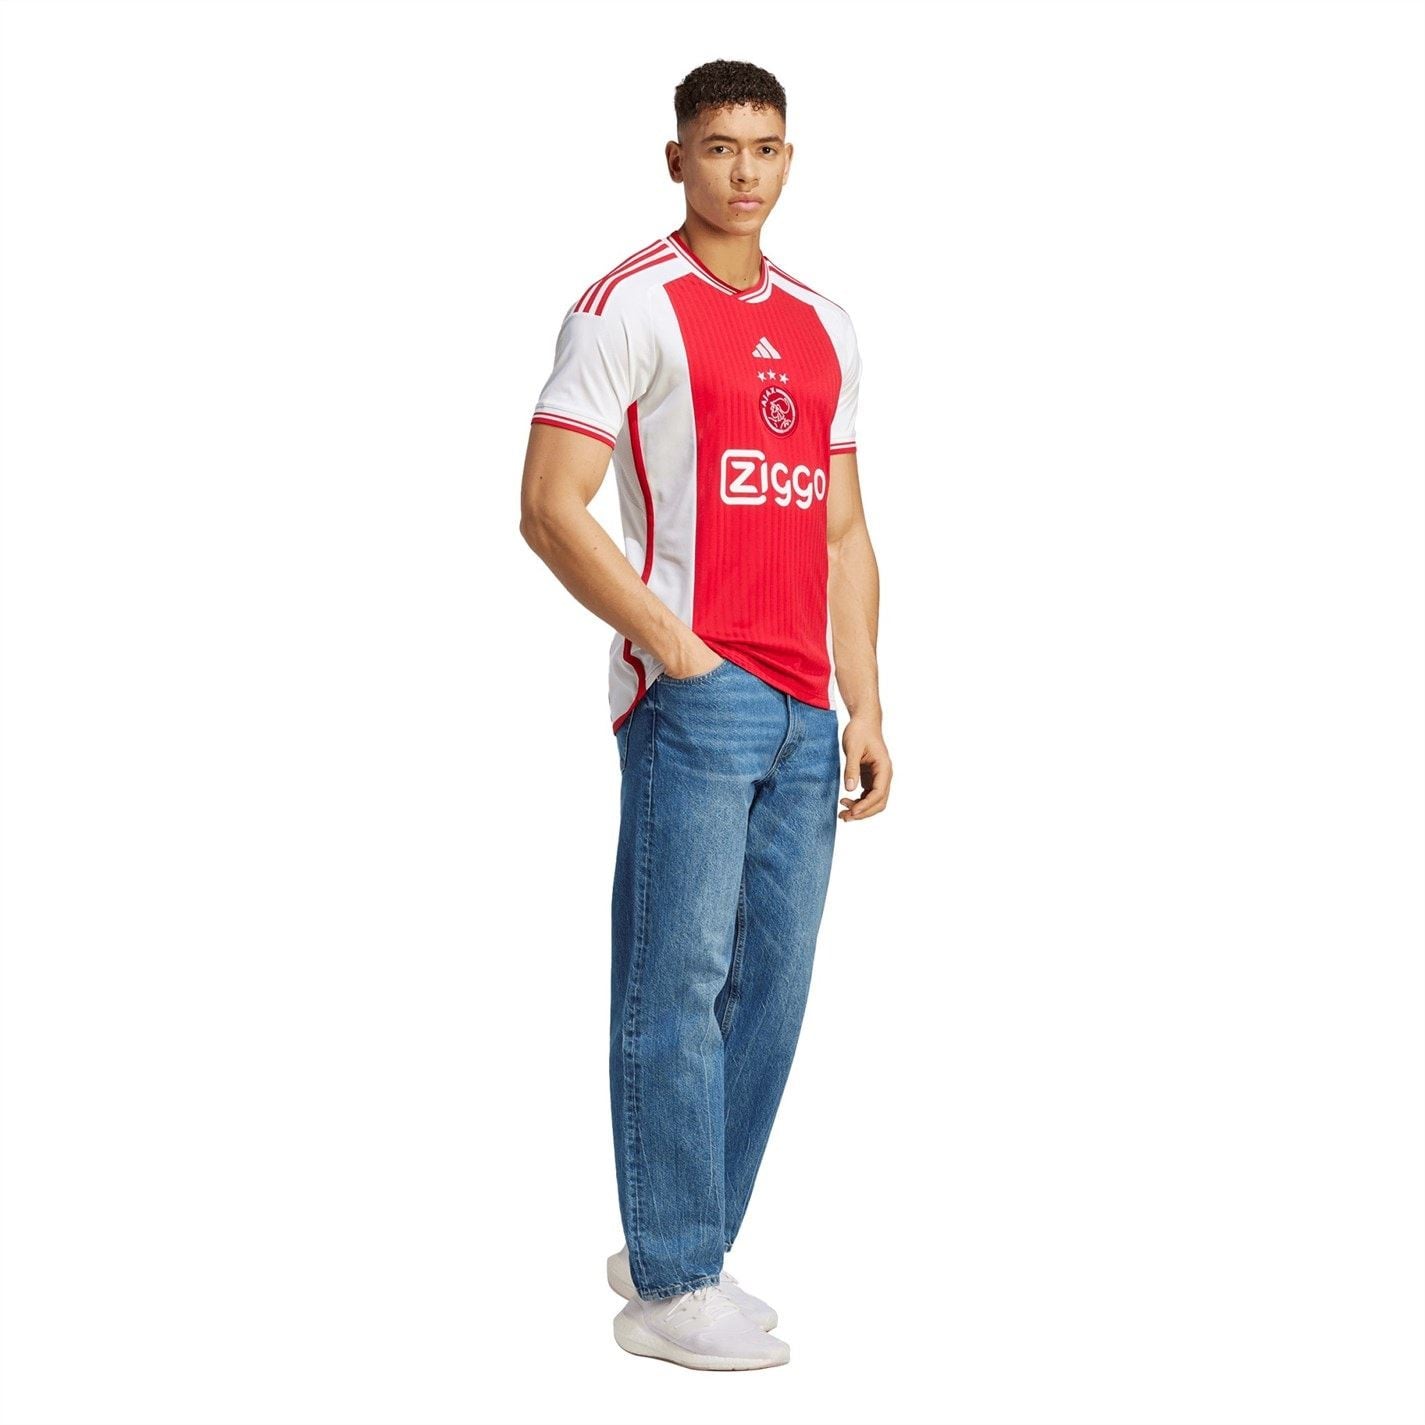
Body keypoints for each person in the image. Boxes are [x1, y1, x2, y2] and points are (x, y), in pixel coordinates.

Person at [519, 58, 892, 1371]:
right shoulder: (627, 305)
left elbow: (842, 530)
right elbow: (549, 504)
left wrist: (865, 700)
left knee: (772, 989)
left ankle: (679, 1239)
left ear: (789, 160)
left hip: (804, 703)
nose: (744, 170)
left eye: (766, 147)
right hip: (699, 693)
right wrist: (673, 646)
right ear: (677, 157)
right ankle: (674, 1274)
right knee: (672, 982)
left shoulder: (826, 324)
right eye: (720, 146)